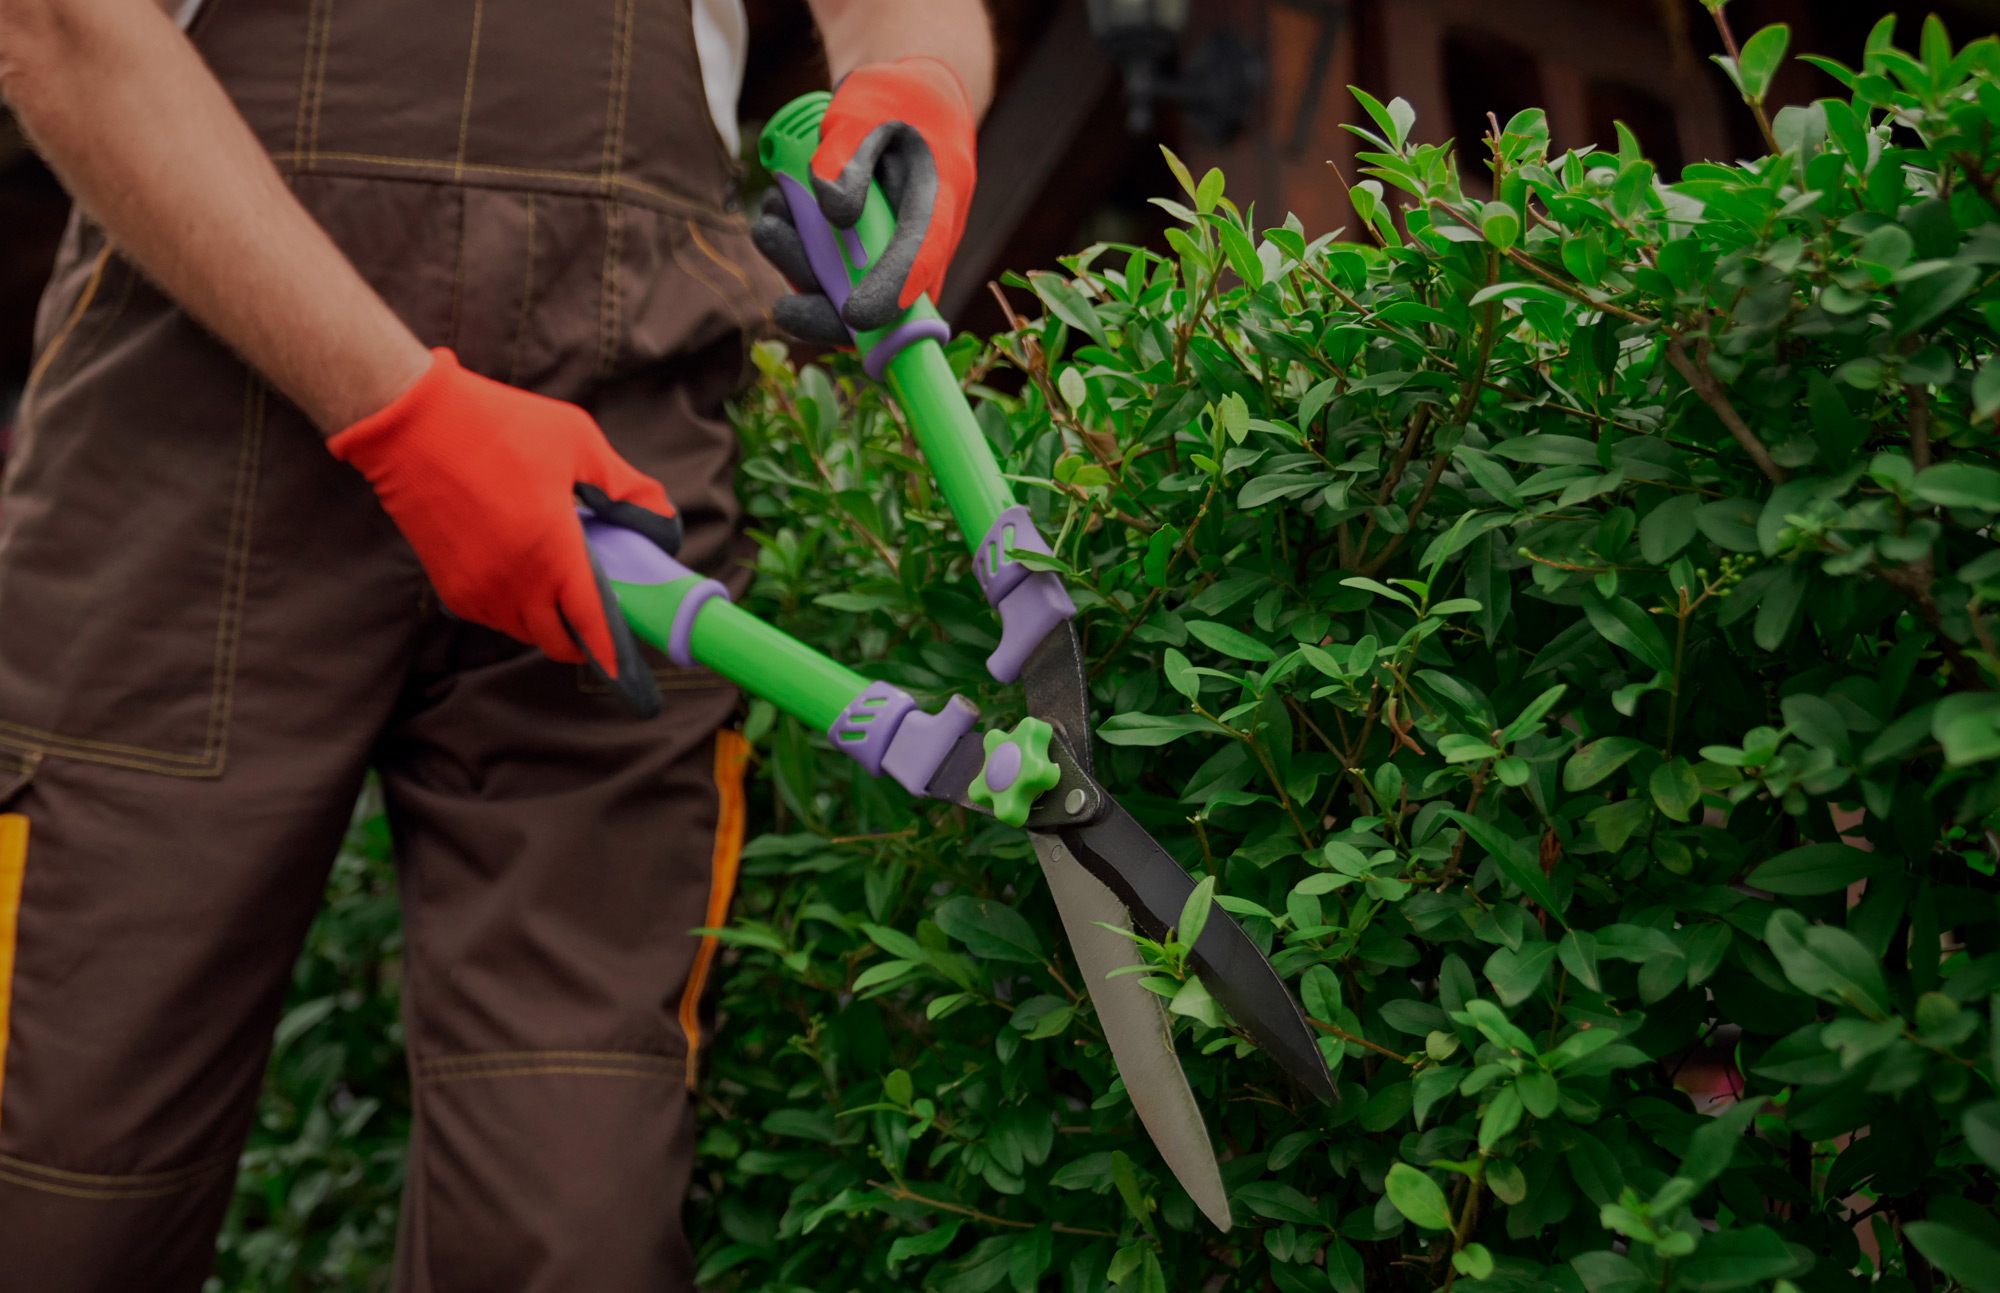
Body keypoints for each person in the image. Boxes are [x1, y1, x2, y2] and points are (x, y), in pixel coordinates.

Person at [0, 0, 990, 1287]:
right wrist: (401, 418)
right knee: (53, 1196)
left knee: (573, 1231)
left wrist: (921, 81)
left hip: (619, 435)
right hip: (194, 407)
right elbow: (61, 27)